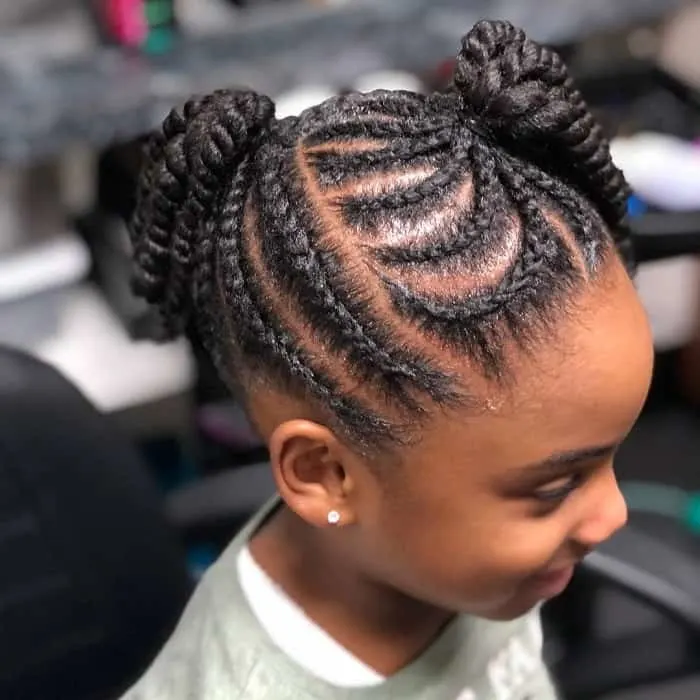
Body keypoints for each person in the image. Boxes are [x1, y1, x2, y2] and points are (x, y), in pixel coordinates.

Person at [123, 20, 654, 700]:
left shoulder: (473, 566)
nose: (614, 515)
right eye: (555, 487)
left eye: (607, 459)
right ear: (326, 473)